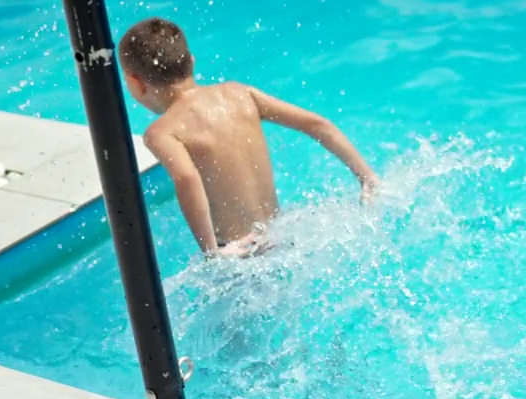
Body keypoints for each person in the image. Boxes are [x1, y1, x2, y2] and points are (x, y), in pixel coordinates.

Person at [118, 17, 378, 258]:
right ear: (192, 61)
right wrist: (367, 177)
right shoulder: (240, 94)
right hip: (282, 236)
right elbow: (316, 124)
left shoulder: (161, 132)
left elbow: (186, 178)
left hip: (239, 254)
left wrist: (213, 253)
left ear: (134, 83)